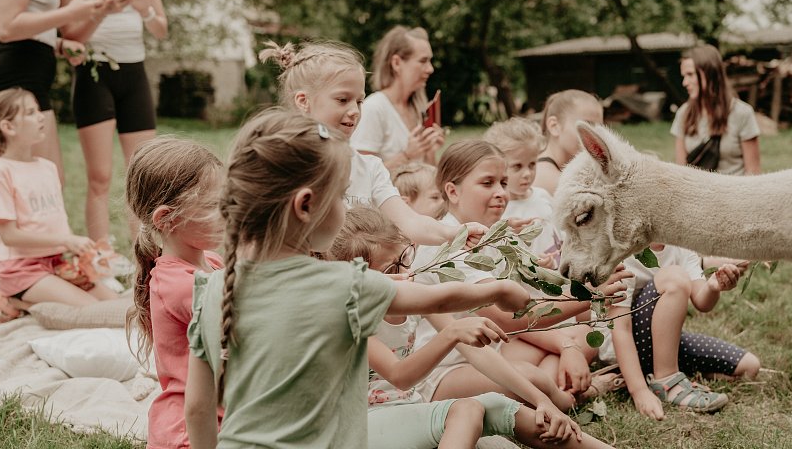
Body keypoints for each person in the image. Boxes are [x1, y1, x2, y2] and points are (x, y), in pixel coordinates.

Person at [182, 108, 531, 448]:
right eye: (340, 196)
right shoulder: (342, 284)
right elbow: (438, 298)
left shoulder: (212, 289)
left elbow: (198, 408)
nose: (345, 206)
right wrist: (500, 289)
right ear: (305, 206)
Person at [328, 206, 615, 449]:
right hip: (360, 428)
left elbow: (479, 354)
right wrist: (452, 334)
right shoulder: (350, 317)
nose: (407, 273)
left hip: (408, 411)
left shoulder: (415, 296)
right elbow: (400, 376)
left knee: (500, 417)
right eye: (391, 270)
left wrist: (541, 400)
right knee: (467, 409)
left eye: (405, 257)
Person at [411, 140, 631, 407]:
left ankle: (552, 390)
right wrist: (590, 297)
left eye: (503, 183)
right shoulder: (449, 246)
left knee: (583, 338)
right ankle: (568, 398)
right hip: (442, 372)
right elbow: (508, 319)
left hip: (490, 351)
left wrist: (592, 282)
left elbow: (536, 298)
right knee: (533, 378)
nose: (500, 192)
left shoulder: (490, 235)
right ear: (452, 192)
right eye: (487, 183)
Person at [258, 39, 485, 247]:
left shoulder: (370, 168)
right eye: (342, 100)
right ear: (303, 101)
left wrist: (453, 233)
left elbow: (410, 221)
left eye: (359, 101)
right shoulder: (283, 163)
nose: (354, 111)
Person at [0, 88, 116, 325]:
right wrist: (67, 240)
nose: (41, 116)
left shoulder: (48, 167)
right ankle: (14, 298)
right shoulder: (1, 172)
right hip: (22, 270)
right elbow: (9, 236)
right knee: (98, 314)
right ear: (8, 127)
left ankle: (26, 301)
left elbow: (51, 222)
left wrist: (77, 250)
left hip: (57, 262)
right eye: (31, 113)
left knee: (115, 303)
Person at [124, 136, 223, 449]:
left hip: (219, 414)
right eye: (214, 207)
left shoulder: (212, 261)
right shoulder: (182, 285)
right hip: (190, 433)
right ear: (167, 218)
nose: (229, 212)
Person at [55, 0, 168, 241]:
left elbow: (161, 30)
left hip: (134, 75)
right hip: (93, 77)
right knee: (100, 177)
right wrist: (102, 11)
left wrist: (145, 10)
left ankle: (144, 258)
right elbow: (69, 36)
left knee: (142, 174)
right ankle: (100, 257)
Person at [597, 243, 762, 420]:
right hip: (624, 348)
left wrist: (713, 287)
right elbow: (621, 329)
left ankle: (668, 372)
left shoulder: (679, 245)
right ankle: (665, 381)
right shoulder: (625, 252)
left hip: (664, 343)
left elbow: (702, 302)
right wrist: (639, 391)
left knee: (749, 367)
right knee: (674, 277)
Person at [0, 0, 106, 183]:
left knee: (47, 181)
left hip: (30, 79)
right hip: (17, 83)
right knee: (40, 183)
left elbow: (25, 31)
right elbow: (7, 28)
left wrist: (58, 45)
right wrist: (71, 13)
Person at [351, 25, 445, 170]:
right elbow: (361, 174)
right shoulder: (373, 108)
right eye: (423, 61)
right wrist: (407, 156)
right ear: (396, 63)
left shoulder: (419, 107)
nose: (430, 69)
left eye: (430, 61)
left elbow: (429, 174)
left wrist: (430, 150)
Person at [483, 117, 561, 268]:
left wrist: (554, 260)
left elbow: (560, 236)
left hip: (556, 277)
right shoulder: (497, 209)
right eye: (517, 166)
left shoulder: (542, 195)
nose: (527, 173)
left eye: (532, 164)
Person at [671, 44, 761, 176]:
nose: (685, 82)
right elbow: (680, 173)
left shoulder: (742, 113)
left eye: (690, 74)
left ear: (709, 74)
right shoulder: (683, 114)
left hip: (735, 193)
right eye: (684, 76)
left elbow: (753, 173)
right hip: (697, 193)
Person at [532, 90, 603, 196]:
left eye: (598, 128)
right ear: (554, 126)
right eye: (585, 126)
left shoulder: (562, 172)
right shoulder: (549, 177)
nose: (594, 137)